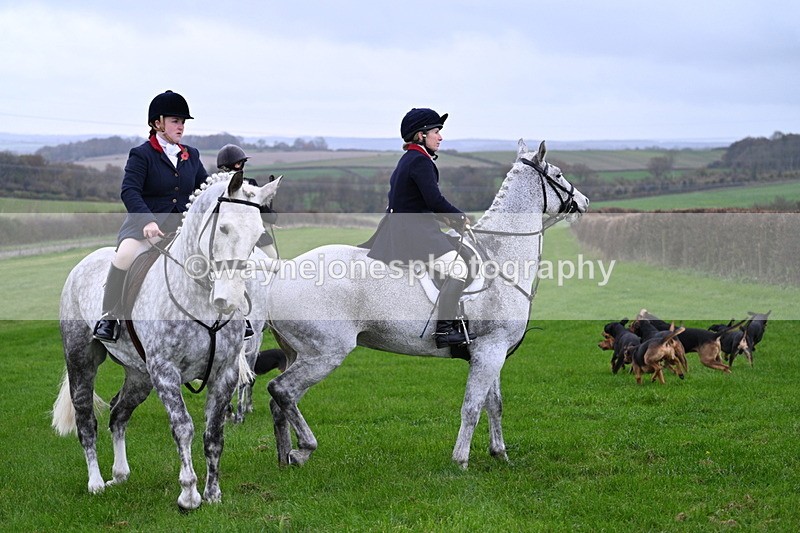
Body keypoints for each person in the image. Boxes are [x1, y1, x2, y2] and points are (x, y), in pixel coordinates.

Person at [93, 90, 209, 342]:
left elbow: (205, 189)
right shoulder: (142, 154)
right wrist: (147, 220)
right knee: (124, 256)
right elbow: (130, 191)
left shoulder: (192, 155)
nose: (181, 126)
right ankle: (110, 316)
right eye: (175, 121)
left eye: (183, 122)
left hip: (183, 229)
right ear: (158, 123)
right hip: (144, 226)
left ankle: (235, 318)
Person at [365, 108, 476, 348]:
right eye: (436, 131)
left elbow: (420, 202)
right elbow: (435, 201)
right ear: (421, 135)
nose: (440, 136)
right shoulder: (420, 161)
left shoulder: (409, 159)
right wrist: (459, 217)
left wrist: (447, 219)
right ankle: (445, 331)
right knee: (458, 268)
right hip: (414, 233)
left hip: (403, 228)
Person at [216, 144, 279, 259]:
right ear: (238, 164)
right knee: (275, 261)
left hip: (222, 239)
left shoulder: (215, 186)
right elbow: (267, 215)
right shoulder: (249, 184)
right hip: (254, 238)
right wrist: (272, 215)